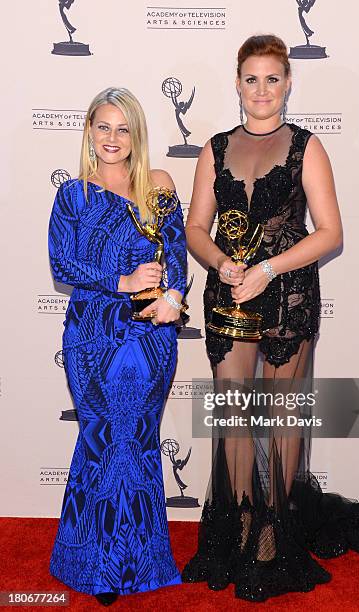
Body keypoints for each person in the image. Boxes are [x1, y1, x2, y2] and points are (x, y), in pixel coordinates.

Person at [181, 35, 359, 602]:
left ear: (288, 83)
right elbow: (196, 227)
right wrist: (219, 262)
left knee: (282, 417)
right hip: (228, 299)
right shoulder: (213, 149)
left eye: (273, 78)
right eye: (251, 78)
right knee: (236, 417)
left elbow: (330, 232)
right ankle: (238, 527)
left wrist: (268, 268)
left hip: (288, 295)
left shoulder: (306, 147)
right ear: (237, 83)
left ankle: (274, 535)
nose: (262, 90)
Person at [48, 87, 187, 606]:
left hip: (150, 336)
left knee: (139, 442)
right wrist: (122, 279)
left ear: (137, 135)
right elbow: (63, 265)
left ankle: (143, 564)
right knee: (103, 440)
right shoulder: (73, 195)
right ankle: (93, 564)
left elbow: (176, 253)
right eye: (102, 127)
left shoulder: (159, 185)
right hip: (92, 335)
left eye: (122, 128)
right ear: (89, 131)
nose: (112, 138)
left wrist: (174, 294)